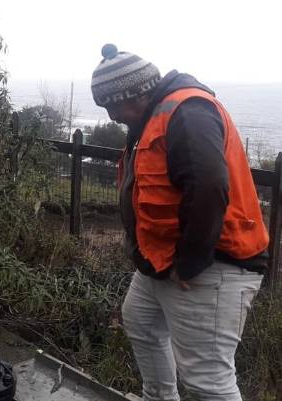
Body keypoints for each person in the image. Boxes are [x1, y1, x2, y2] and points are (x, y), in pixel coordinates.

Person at [91, 44, 268, 401]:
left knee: (207, 380)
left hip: (212, 264)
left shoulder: (189, 112)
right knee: (139, 320)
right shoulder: (152, 117)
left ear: (134, 92)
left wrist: (189, 263)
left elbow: (208, 187)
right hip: (162, 260)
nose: (111, 116)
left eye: (112, 104)